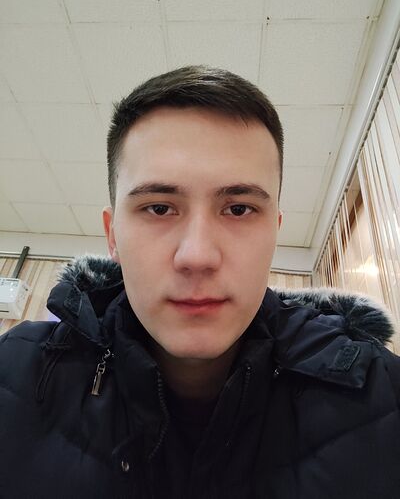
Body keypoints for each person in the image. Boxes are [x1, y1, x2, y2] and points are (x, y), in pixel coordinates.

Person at [0, 66, 399, 499]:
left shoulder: (383, 395)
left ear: (275, 233)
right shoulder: (14, 372)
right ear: (113, 236)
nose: (197, 257)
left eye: (239, 209)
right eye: (159, 208)